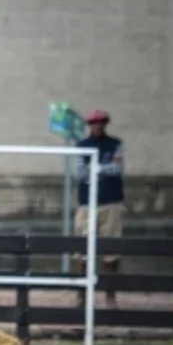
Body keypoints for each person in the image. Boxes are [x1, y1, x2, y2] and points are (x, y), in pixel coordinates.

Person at [73, 109, 125, 308]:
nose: (97, 126)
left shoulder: (115, 144)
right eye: (94, 122)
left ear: (106, 124)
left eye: (101, 122)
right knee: (82, 252)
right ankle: (82, 297)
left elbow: (117, 169)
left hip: (110, 202)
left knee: (111, 252)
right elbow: (79, 173)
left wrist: (95, 169)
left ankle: (110, 297)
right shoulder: (82, 146)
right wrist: (101, 169)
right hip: (87, 203)